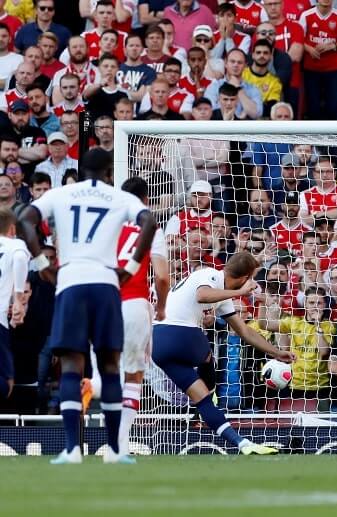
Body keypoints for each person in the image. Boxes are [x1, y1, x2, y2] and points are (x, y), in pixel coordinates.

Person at [17, 148, 157, 464]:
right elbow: (149, 221)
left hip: (71, 281)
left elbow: (25, 217)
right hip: (107, 284)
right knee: (110, 366)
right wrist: (132, 268)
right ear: (109, 172)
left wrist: (41, 263)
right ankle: (115, 452)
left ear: (81, 171)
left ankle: (71, 449)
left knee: (71, 365)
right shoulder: (119, 198)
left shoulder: (61, 193)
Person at [152, 251, 292, 454]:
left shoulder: (222, 296)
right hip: (178, 333)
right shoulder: (210, 275)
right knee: (207, 354)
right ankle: (211, 388)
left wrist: (276, 352)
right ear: (244, 278)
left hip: (158, 345)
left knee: (202, 400)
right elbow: (202, 295)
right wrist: (240, 293)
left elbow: (244, 331)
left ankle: (243, 444)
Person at [115, 177, 170, 455]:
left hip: (101, 302)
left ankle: (90, 386)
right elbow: (161, 277)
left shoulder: (107, 225)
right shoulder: (151, 227)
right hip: (134, 303)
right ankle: (120, 446)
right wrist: (160, 307)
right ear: (146, 199)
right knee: (133, 375)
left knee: (106, 371)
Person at [0, 208, 30, 406]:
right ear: (12, 229)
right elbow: (20, 258)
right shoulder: (15, 244)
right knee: (4, 385)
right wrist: (18, 299)